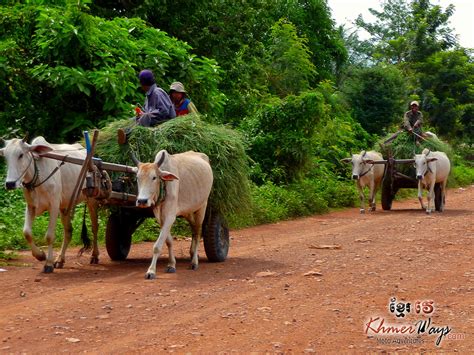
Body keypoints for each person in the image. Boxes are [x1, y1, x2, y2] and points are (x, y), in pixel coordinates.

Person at [117, 70, 176, 144]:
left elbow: (164, 111)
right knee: (136, 118)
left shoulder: (157, 92)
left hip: (166, 120)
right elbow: (146, 111)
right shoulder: (148, 96)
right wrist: (141, 113)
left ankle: (128, 136)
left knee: (145, 117)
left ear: (143, 84)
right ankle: (124, 131)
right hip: (155, 119)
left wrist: (146, 114)